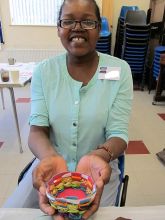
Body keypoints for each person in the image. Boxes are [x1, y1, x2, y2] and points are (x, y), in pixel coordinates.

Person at [3, 0, 133, 219]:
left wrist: (100, 155)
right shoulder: (44, 72)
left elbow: (118, 133)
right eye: (68, 21)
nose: (78, 28)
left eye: (88, 21)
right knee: (11, 214)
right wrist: (49, 157)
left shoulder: (119, 71)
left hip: (97, 169)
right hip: (51, 166)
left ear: (99, 28)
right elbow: (37, 130)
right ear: (58, 28)